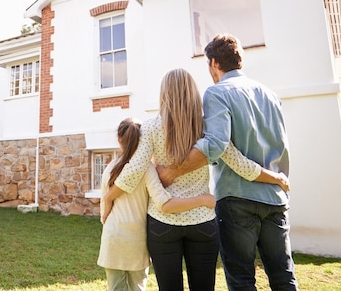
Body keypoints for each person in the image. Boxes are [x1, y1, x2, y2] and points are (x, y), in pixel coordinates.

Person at [103, 69, 288, 291]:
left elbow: (133, 171)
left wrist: (108, 197)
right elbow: (239, 163)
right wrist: (275, 177)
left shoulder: (151, 127)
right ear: (192, 93)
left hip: (162, 224)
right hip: (202, 222)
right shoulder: (206, 127)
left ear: (164, 94)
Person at [158, 34, 298, 291]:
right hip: (276, 197)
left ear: (213, 63)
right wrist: (276, 180)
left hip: (238, 200)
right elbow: (283, 147)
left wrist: (171, 172)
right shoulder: (270, 95)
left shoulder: (217, 92)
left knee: (242, 280)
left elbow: (215, 145)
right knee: (283, 277)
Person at [98, 117, 216, 291]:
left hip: (112, 237)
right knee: (137, 287)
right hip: (135, 240)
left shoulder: (110, 169)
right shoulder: (146, 169)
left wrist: (105, 218)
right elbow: (165, 204)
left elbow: (105, 204)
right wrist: (203, 200)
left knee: (115, 288)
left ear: (119, 139)